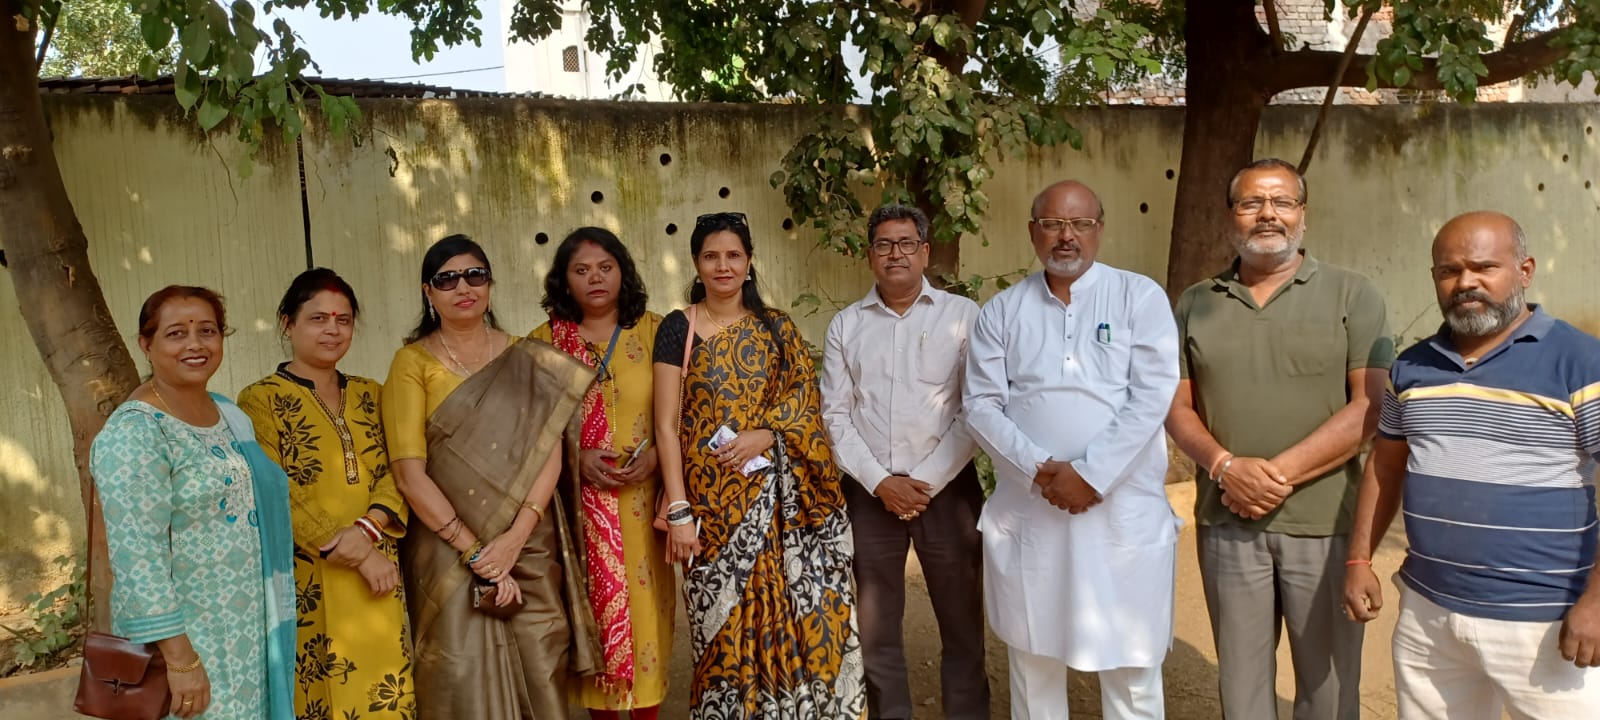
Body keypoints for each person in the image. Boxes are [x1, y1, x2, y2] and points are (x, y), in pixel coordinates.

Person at [1344, 211, 1600, 718]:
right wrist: (1358, 560)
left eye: (1484, 267)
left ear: (1524, 271)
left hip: (1545, 620)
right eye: (1449, 270)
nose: (1466, 282)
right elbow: (1386, 467)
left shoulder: (1579, 360)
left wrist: (1597, 602)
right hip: (1429, 617)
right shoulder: (1412, 365)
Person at [1165, 158, 1392, 720]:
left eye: (1282, 202)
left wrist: (1269, 476)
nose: (1267, 214)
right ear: (1230, 217)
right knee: (1241, 689)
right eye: (1251, 203)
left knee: (1329, 686)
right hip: (1227, 522)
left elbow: (1371, 405)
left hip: (1326, 524)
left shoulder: (1352, 295)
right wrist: (1223, 468)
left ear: (1302, 215)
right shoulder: (1196, 302)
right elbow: (1175, 405)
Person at [965, 180, 1179, 720]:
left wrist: (1092, 475)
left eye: (1080, 223)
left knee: (1130, 661)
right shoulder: (1002, 311)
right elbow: (982, 405)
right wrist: (1042, 471)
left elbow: (1152, 395)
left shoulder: (1140, 296)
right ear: (1033, 232)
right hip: (1034, 512)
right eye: (1053, 224)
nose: (1067, 236)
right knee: (1034, 657)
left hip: (1118, 510)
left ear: (1099, 229)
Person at [651, 211, 865, 719]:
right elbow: (666, 426)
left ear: (748, 263)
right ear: (696, 265)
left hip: (781, 512)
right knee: (718, 631)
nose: (722, 266)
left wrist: (766, 434)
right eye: (710, 256)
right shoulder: (677, 329)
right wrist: (679, 512)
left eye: (733, 256)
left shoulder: (779, 329)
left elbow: (805, 407)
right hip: (711, 513)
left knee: (793, 622)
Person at [382, 234, 601, 719]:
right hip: (446, 547)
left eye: (475, 275)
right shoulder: (412, 363)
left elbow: (549, 455)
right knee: (459, 669)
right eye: (448, 278)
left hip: (527, 542)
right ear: (428, 291)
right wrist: (476, 551)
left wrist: (513, 539)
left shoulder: (529, 358)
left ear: (490, 283)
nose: (464, 287)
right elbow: (408, 472)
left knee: (541, 659)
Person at [89, 286, 295, 720]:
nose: (195, 345)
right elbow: (137, 558)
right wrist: (181, 659)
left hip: (247, 633)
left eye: (207, 331)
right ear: (147, 344)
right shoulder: (137, 433)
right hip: (185, 643)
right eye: (176, 333)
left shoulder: (228, 414)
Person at [820, 204, 989, 720]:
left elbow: (976, 409)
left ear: (925, 251)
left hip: (948, 493)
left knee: (962, 627)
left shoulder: (964, 317)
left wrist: (926, 482)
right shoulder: (846, 325)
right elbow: (834, 416)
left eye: (906, 243)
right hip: (870, 496)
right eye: (884, 245)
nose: (896, 254)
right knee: (876, 630)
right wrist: (880, 483)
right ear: (869, 256)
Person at [237, 268, 414, 718]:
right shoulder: (260, 400)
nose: (333, 329)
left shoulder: (374, 395)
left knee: (385, 686)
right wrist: (353, 550)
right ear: (287, 323)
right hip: (310, 570)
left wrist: (369, 530)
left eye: (344, 319)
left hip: (380, 566)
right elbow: (274, 486)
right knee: (320, 692)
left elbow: (402, 468)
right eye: (317, 318)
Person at [530, 227, 675, 719]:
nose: (595, 278)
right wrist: (578, 455)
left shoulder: (656, 331)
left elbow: (686, 410)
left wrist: (657, 454)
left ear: (623, 272)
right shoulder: (545, 342)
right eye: (581, 269)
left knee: (647, 619)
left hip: (642, 505)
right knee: (591, 620)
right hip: (578, 513)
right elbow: (528, 426)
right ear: (563, 281)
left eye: (605, 267)